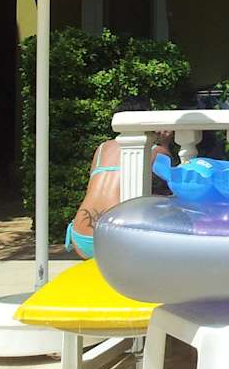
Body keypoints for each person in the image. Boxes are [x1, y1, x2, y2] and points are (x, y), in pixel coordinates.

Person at [63, 98, 171, 260]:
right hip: (115, 236)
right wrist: (165, 145)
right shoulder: (156, 150)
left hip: (80, 234)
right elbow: (171, 186)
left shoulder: (102, 148)